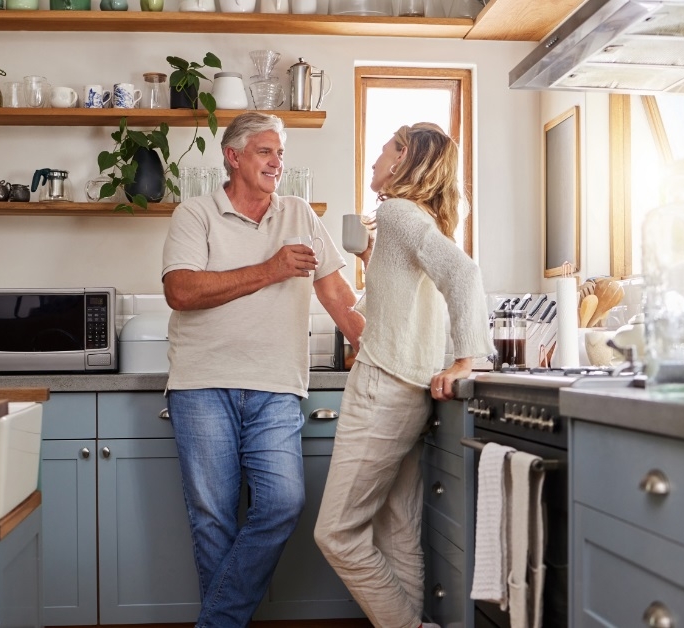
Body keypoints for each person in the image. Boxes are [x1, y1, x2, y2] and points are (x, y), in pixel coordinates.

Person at [161, 111, 365, 628]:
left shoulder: (299, 214)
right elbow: (181, 291)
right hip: (202, 385)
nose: (277, 163)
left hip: (276, 387)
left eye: (280, 153)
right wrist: (271, 269)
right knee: (213, 521)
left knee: (282, 503)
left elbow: (337, 295)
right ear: (233, 157)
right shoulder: (196, 214)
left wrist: (372, 340)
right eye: (265, 152)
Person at [314, 123, 492, 628]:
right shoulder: (417, 219)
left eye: (385, 151)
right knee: (397, 530)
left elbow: (464, 274)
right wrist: (370, 260)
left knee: (336, 534)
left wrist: (468, 357)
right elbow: (399, 305)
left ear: (404, 160)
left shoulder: (396, 211)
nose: (375, 160)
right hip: (409, 393)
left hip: (383, 389)